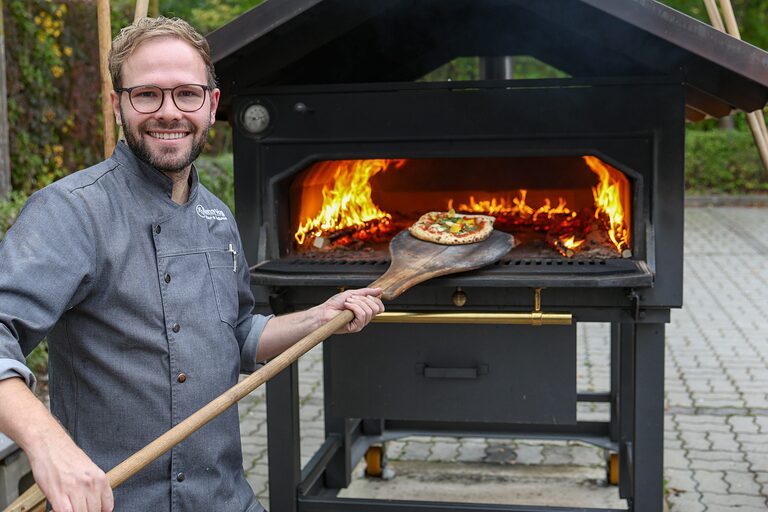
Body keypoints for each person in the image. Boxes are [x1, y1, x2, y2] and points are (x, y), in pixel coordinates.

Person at [0, 16, 384, 512]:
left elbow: (238, 334)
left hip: (225, 499)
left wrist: (319, 318)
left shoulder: (217, 218)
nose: (169, 112)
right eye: (147, 95)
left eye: (186, 94)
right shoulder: (71, 211)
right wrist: (48, 445)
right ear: (117, 105)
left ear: (211, 104)